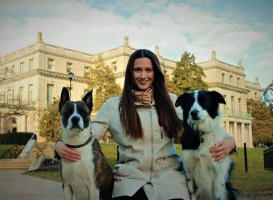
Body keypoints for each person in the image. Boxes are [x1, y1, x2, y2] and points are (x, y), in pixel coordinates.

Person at [55, 49, 236, 200]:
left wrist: (230, 141)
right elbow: (87, 133)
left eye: (149, 70)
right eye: (138, 70)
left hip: (170, 176)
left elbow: (205, 123)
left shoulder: (172, 101)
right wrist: (59, 144)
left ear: (156, 72)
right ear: (130, 73)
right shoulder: (112, 105)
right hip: (130, 178)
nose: (143, 76)